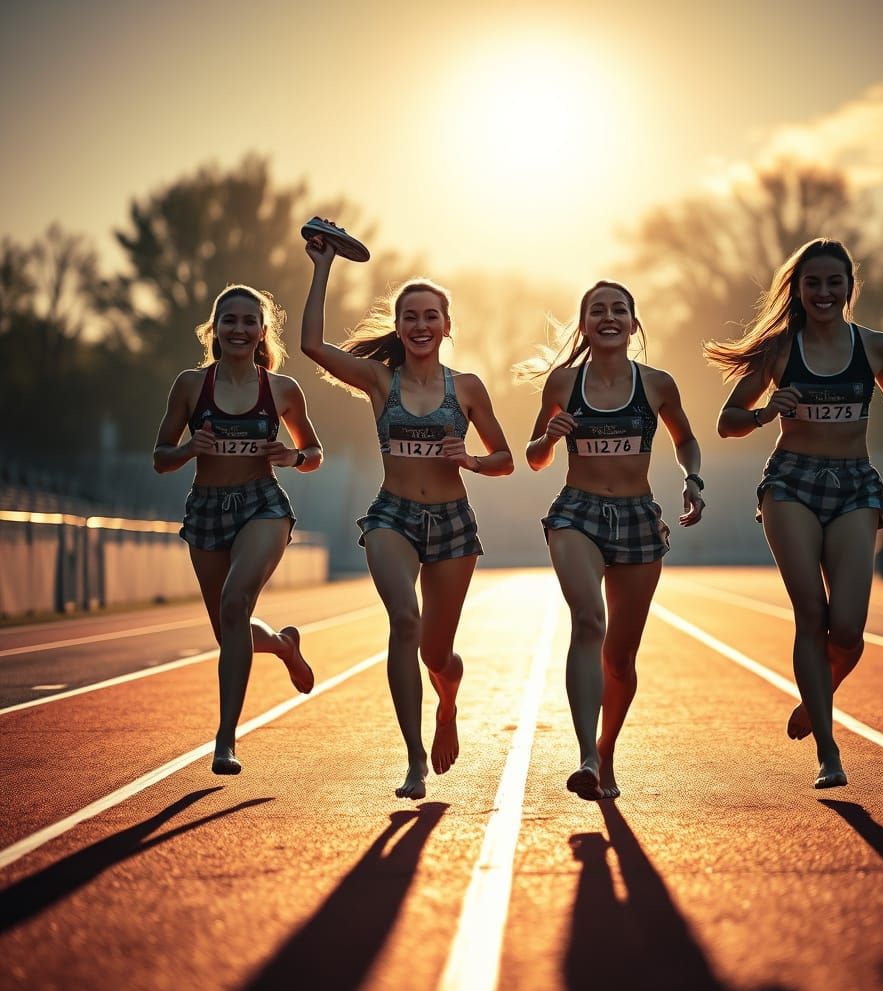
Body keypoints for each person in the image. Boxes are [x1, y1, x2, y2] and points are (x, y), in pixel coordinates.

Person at [705, 238, 883, 789]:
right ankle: (829, 753)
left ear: (849, 288)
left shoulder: (877, 347)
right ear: (799, 289)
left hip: (856, 487)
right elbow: (726, 419)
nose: (824, 292)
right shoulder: (781, 352)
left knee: (850, 631)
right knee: (810, 613)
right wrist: (765, 413)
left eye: (834, 282)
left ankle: (815, 700)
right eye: (813, 283)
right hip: (791, 484)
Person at [300, 223, 514, 800]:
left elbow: (505, 459)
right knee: (404, 622)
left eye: (431, 316)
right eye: (411, 317)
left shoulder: (466, 388)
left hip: (452, 525)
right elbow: (313, 348)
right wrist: (322, 270)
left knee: (436, 654)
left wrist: (467, 458)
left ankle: (447, 699)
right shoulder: (379, 379)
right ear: (399, 327)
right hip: (391, 517)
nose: (421, 326)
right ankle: (414, 758)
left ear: (446, 327)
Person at [522, 281, 705, 800]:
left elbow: (686, 439)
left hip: (638, 518)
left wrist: (691, 477)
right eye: (597, 310)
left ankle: (605, 753)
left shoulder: (658, 384)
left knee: (620, 658)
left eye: (619, 309)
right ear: (583, 325)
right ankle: (583, 755)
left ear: (633, 323)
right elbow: (536, 458)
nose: (609, 316)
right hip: (577, 513)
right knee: (588, 621)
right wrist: (551, 436)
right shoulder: (562, 383)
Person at [154, 284, 324, 775]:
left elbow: (314, 453)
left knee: (234, 604)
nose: (239, 329)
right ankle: (283, 645)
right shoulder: (190, 385)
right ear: (215, 329)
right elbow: (160, 457)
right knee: (229, 630)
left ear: (262, 331)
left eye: (250, 321)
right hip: (206, 510)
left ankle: (225, 740)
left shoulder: (282, 390)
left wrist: (292, 457)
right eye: (230, 320)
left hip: (262, 507)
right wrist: (190, 449)